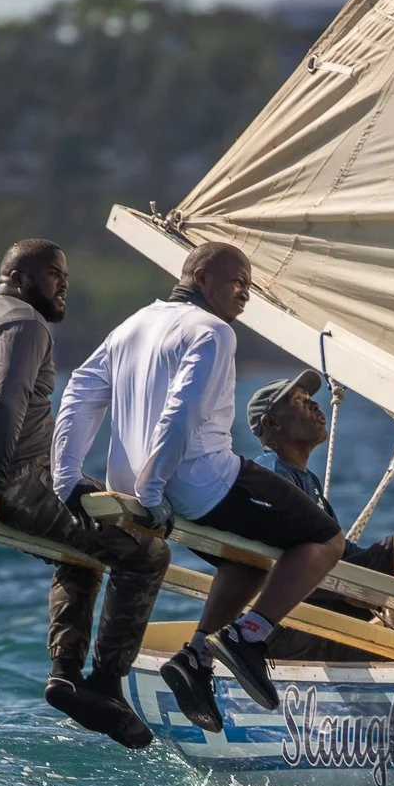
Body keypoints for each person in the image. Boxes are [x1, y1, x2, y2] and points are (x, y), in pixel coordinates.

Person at [52, 242, 345, 734]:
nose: (245, 294)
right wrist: (151, 493)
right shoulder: (213, 332)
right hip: (197, 482)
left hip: (144, 483)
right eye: (237, 282)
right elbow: (181, 413)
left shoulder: (134, 324)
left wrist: (68, 476)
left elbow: (80, 390)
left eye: (249, 287)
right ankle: (249, 638)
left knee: (247, 557)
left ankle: (196, 658)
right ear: (202, 276)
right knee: (325, 539)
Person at [0, 239, 170, 750]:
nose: (64, 283)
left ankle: (65, 678)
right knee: (147, 554)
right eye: (52, 273)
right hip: (12, 483)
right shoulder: (24, 324)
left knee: (86, 546)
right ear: (18, 277)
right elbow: (3, 401)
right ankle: (106, 685)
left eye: (65, 275)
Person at [228, 371, 394, 662]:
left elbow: (340, 549)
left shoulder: (306, 480)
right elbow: (275, 562)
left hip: (314, 607)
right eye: (300, 401)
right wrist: (346, 591)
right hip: (283, 627)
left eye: (312, 399)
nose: (315, 406)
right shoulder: (272, 477)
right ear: (271, 423)